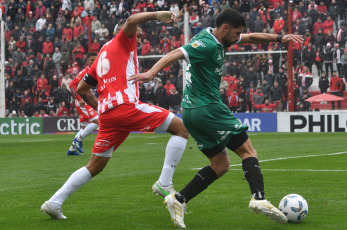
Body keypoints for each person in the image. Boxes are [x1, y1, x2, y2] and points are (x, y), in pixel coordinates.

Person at [129, 8, 303, 228]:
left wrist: (279, 37)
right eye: (236, 33)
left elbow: (249, 38)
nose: (238, 37)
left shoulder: (219, 38)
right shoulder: (207, 44)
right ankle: (258, 198)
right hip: (208, 108)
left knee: (220, 164)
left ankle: (178, 199)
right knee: (248, 151)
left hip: (191, 114)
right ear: (225, 28)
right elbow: (177, 53)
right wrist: (151, 72)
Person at [41, 11, 188, 220]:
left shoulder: (102, 52)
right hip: (125, 108)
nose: (139, 38)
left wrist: (102, 109)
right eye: (138, 34)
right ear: (124, 33)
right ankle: (164, 183)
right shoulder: (123, 40)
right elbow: (131, 20)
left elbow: (82, 88)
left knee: (95, 166)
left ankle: (54, 202)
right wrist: (158, 15)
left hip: (110, 116)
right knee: (181, 129)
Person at [67, 52, 99, 156]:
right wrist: (79, 98)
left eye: (95, 60)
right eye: (92, 60)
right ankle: (79, 140)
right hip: (82, 102)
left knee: (84, 128)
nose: (94, 62)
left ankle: (72, 149)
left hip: (86, 101)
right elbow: (72, 85)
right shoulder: (85, 71)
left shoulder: (94, 71)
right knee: (98, 122)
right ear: (87, 61)